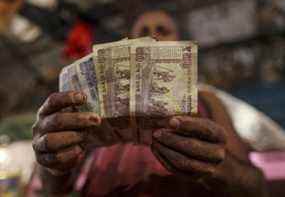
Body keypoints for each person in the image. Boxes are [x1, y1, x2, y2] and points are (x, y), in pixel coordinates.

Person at [32, 89, 268, 197]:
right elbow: (48, 192)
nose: (152, 35)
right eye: (142, 32)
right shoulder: (90, 103)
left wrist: (218, 167)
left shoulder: (204, 98)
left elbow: (256, 187)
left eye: (161, 31)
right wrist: (50, 162)